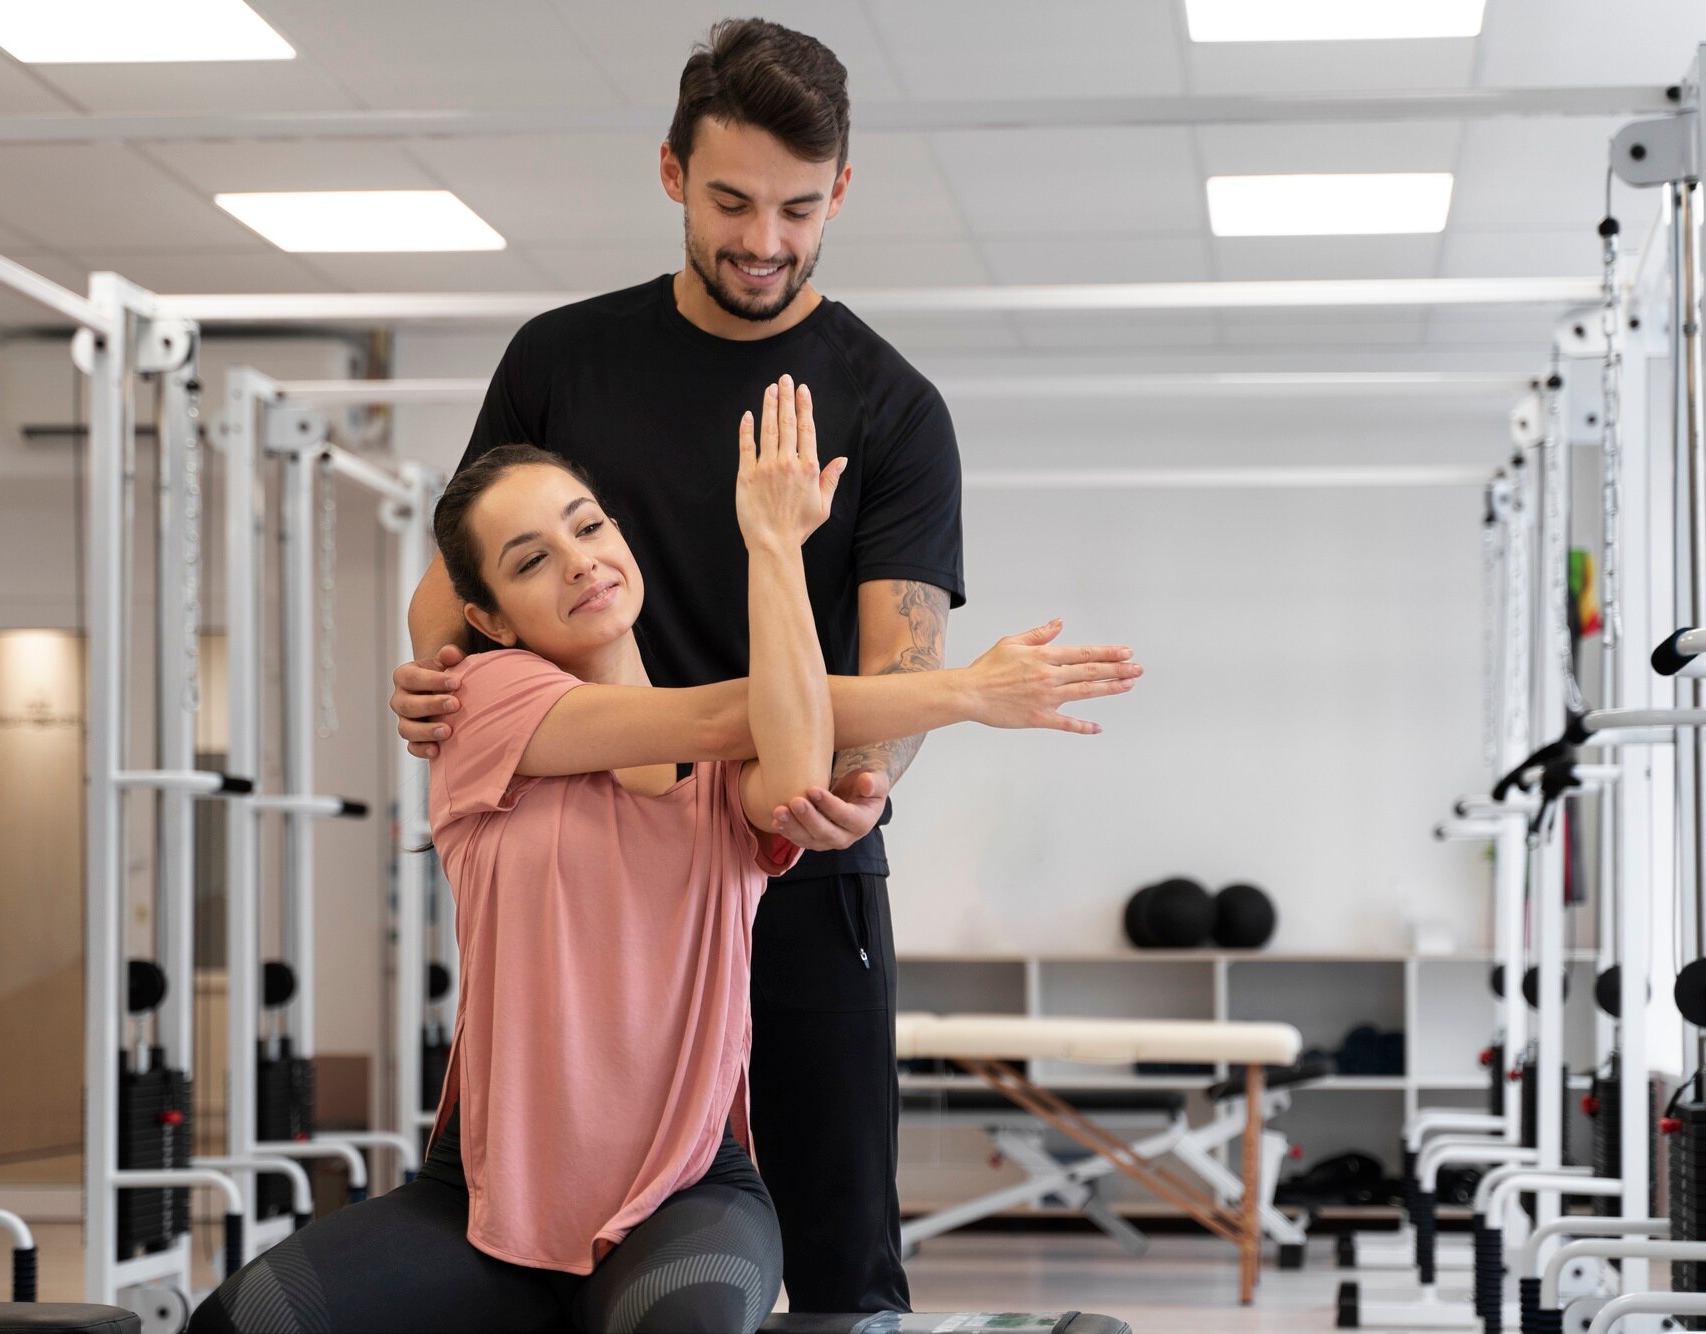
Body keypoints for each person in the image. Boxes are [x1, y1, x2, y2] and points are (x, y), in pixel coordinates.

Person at [193, 382, 1138, 1333]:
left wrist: (777, 546)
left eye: (588, 526)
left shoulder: (730, 783)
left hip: (687, 1192)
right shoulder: (482, 706)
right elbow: (732, 714)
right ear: (493, 619)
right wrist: (965, 692)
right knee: (244, 1322)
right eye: (531, 560)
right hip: (482, 1198)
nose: (579, 561)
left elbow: (784, 737)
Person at [390, 19, 969, 1312]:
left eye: (798, 209)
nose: (764, 239)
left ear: (841, 192)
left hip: (793, 871)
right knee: (554, 1254)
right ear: (670, 173)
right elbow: (457, 582)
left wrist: (864, 777)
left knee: (836, 1266)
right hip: (591, 876)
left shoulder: (892, 406)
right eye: (730, 202)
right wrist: (431, 671)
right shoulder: (561, 359)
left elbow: (901, 651)